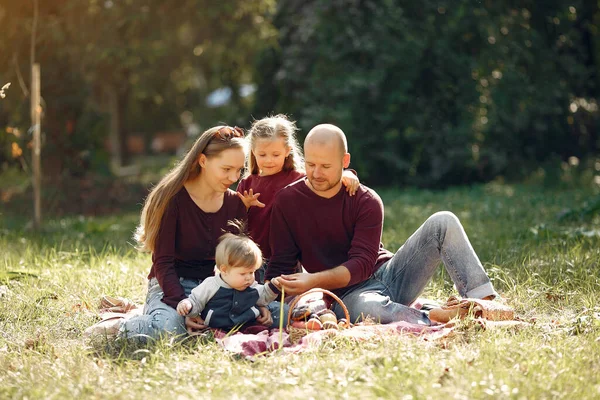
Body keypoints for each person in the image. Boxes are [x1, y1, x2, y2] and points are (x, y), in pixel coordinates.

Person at [265, 124, 499, 325]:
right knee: (368, 310)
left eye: (326, 166)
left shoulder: (366, 200)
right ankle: (430, 316)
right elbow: (281, 263)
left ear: (344, 161)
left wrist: (313, 280)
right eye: (310, 164)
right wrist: (268, 298)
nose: (316, 173)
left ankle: (483, 303)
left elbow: (362, 265)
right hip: (349, 296)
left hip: (390, 274)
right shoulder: (287, 201)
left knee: (443, 221)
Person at [116, 125, 283, 342]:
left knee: (282, 314)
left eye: (238, 170)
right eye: (226, 169)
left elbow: (242, 260)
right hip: (173, 283)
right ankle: (123, 326)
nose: (233, 177)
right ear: (203, 161)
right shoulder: (173, 200)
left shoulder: (234, 204)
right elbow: (163, 263)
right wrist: (180, 304)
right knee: (170, 330)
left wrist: (256, 300)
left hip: (218, 285)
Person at [236, 115, 360, 282]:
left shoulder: (297, 178)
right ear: (253, 152)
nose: (269, 160)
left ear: (287, 151)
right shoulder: (247, 183)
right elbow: (231, 222)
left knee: (286, 299)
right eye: (263, 154)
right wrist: (242, 206)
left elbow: (323, 178)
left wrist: (347, 173)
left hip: (289, 260)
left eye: (275, 154)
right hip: (252, 260)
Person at [177, 228, 282, 330]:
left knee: (261, 330)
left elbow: (264, 295)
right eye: (243, 273)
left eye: (252, 272)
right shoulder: (211, 285)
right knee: (209, 334)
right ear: (224, 270)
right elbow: (197, 301)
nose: (249, 277)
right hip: (216, 326)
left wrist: (274, 286)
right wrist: (188, 305)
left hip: (247, 325)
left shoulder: (252, 286)